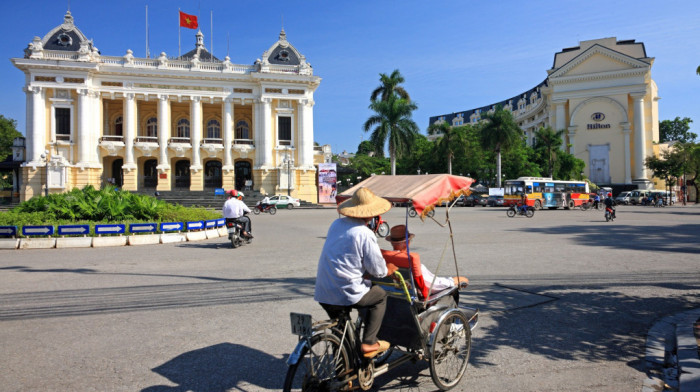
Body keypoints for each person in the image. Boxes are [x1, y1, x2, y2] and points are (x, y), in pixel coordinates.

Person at [314, 187, 398, 358]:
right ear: (371, 213)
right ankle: (369, 342)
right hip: (347, 292)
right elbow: (378, 270)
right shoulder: (364, 233)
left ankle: (344, 372)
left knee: (340, 332)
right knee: (380, 296)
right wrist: (388, 269)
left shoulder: (336, 225)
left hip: (324, 290)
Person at [381, 225, 468, 299]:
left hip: (393, 297)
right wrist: (454, 280)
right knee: (452, 290)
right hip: (418, 301)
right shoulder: (411, 262)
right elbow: (434, 285)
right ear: (408, 243)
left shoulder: (384, 258)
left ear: (392, 243)